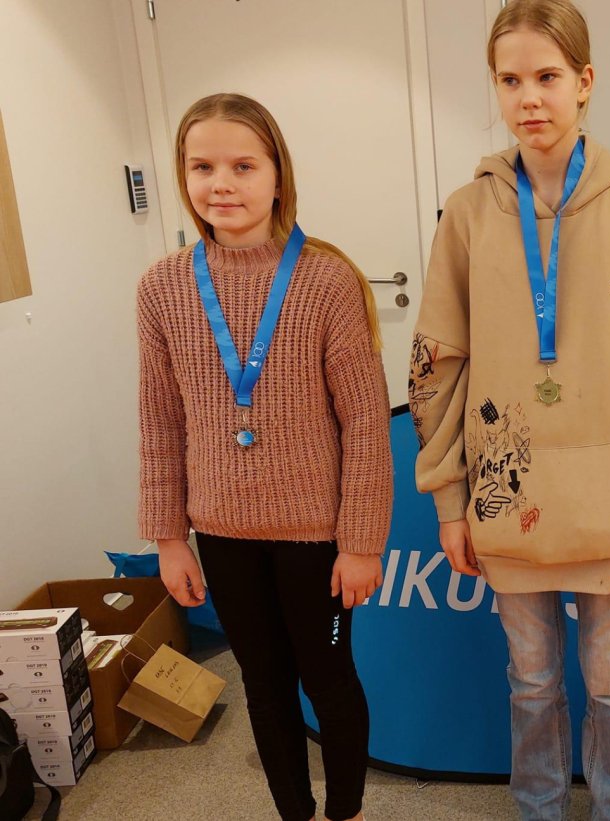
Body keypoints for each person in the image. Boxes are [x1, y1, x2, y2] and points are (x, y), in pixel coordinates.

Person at [408, 1, 610, 817]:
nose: (528, 97)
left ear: (585, 81)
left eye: (546, 76)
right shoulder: (469, 214)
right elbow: (438, 363)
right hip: (508, 498)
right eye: (510, 80)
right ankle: (538, 808)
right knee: (531, 681)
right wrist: (450, 498)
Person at [138, 93, 392, 821]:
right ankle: (295, 812)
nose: (221, 183)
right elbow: (159, 421)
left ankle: (345, 812)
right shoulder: (161, 288)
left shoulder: (325, 279)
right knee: (263, 683)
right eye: (202, 167)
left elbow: (365, 424)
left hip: (317, 535)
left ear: (278, 176)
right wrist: (168, 538)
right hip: (222, 532)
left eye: (243, 166)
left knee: (328, 678)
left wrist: (361, 542)